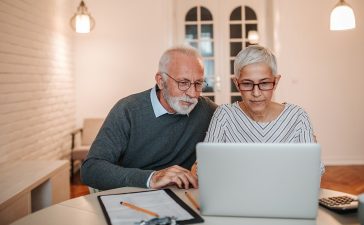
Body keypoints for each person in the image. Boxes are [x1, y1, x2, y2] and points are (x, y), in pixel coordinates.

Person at [81, 46, 217, 190]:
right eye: (183, 83)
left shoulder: (206, 109)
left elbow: (236, 119)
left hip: (182, 197)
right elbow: (91, 169)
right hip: (132, 195)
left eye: (198, 84)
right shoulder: (128, 110)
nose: (192, 93)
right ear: (160, 80)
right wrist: (152, 178)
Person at [200, 45, 324, 174]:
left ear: (275, 82)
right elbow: (205, 169)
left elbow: (314, 172)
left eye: (264, 83)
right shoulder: (224, 115)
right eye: (247, 84)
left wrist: (313, 157)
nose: (256, 93)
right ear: (237, 83)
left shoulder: (298, 117)